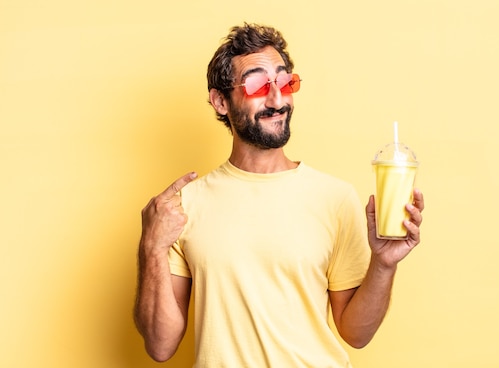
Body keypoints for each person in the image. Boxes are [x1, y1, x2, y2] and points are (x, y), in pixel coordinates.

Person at [133, 23, 425, 368]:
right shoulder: (184, 207)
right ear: (220, 101)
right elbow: (161, 345)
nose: (278, 100)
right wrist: (151, 247)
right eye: (257, 85)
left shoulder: (335, 198)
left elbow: (356, 334)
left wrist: (384, 264)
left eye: (285, 82)